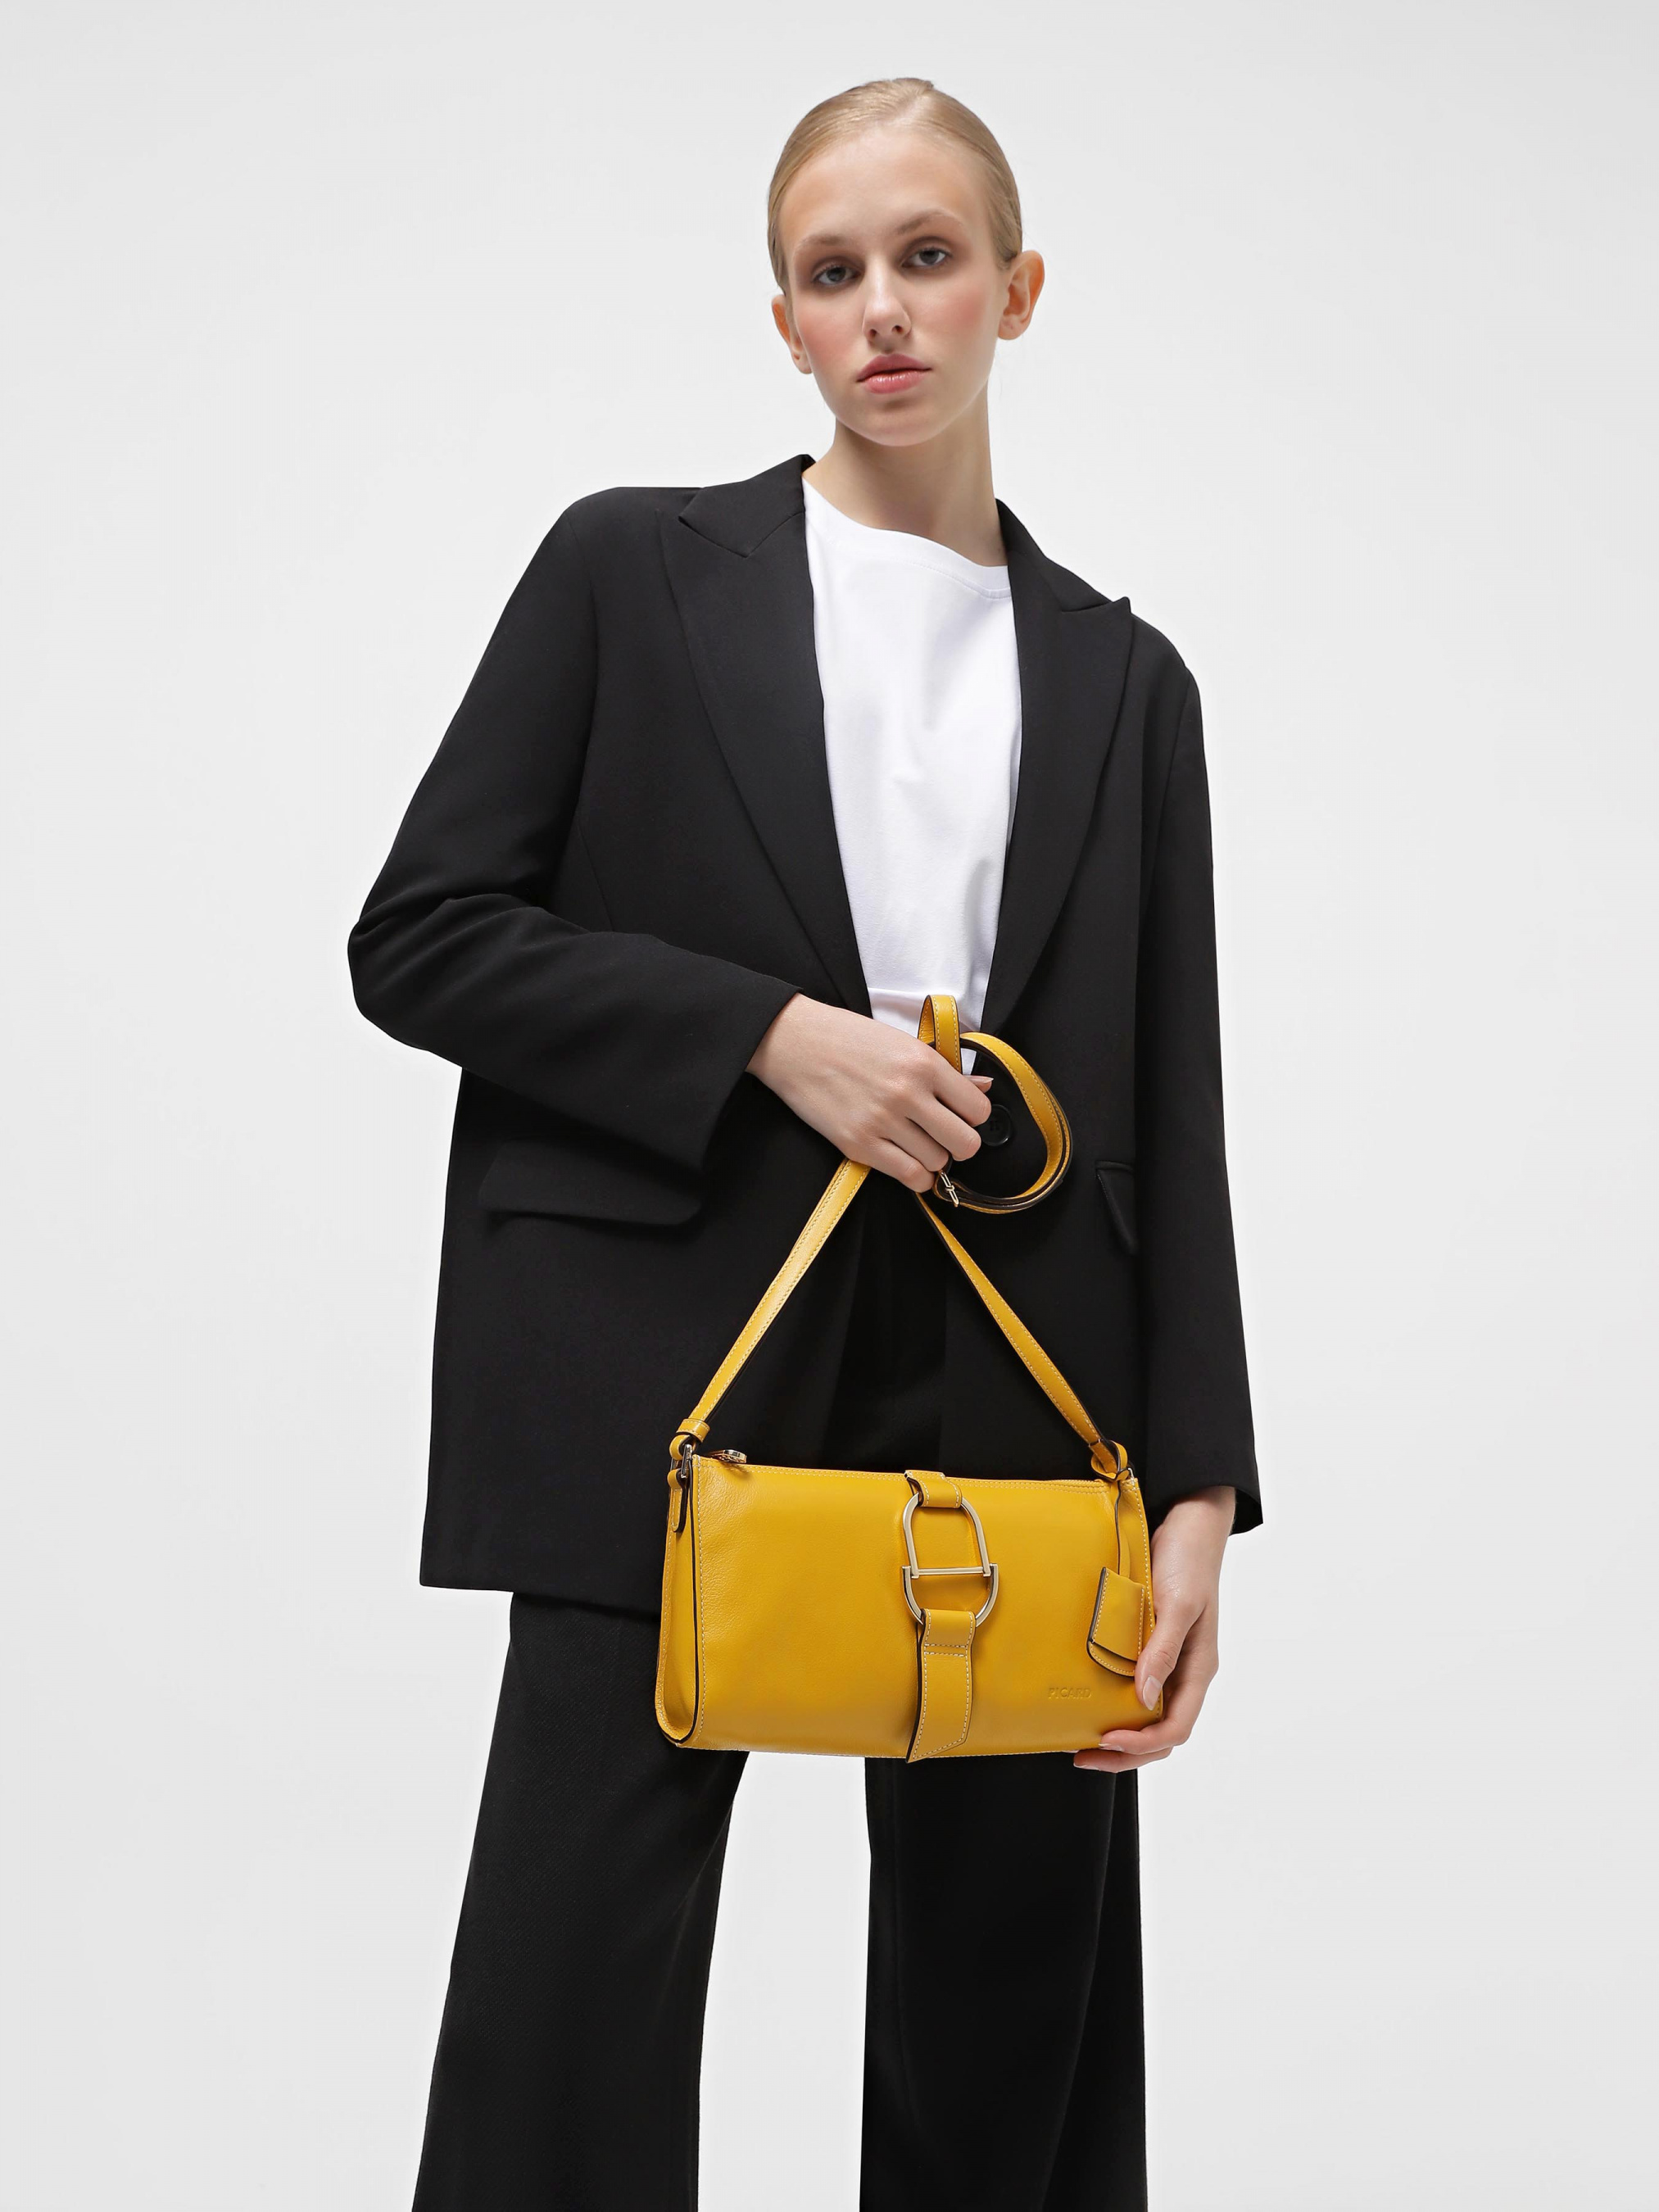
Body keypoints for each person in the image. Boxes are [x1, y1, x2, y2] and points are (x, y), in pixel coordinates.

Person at [349, 74, 1259, 2212]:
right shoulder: (627, 570)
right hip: (669, 1349)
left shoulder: (1126, 679)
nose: (883, 310)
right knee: (571, 1994)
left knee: (1011, 2018)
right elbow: (424, 934)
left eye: (928, 258)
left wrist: (1200, 1488)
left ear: (1017, 289)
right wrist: (767, 1037)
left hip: (1024, 1373)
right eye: (832, 272)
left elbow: (1172, 1105)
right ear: (782, 320)